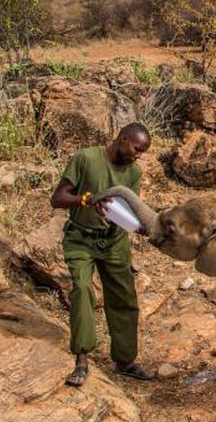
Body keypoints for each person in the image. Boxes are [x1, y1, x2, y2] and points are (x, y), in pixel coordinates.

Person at [50, 122, 154, 387]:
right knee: (83, 290)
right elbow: (58, 198)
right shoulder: (86, 158)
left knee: (124, 298)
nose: (138, 155)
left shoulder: (133, 171)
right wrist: (86, 200)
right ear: (123, 138)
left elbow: (130, 207)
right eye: (136, 148)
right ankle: (82, 359)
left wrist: (138, 225)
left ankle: (125, 361)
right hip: (81, 239)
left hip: (114, 242)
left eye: (142, 152)